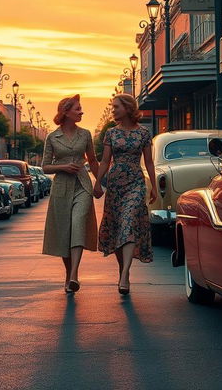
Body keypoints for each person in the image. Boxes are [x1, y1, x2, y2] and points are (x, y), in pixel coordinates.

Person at [95, 94, 157, 295]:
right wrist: (97, 182)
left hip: (136, 182)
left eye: (116, 107)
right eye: (112, 107)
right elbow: (105, 161)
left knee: (129, 223)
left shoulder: (144, 133)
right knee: (118, 228)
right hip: (115, 183)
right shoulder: (111, 133)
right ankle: (124, 272)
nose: (113, 110)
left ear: (128, 107)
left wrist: (153, 186)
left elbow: (148, 162)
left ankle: (124, 275)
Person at [42, 94, 100, 293]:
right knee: (65, 233)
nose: (81, 112)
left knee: (78, 225)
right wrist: (64, 166)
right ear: (65, 112)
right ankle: (69, 275)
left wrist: (99, 182)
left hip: (83, 185)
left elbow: (92, 161)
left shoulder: (85, 134)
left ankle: (74, 274)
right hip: (61, 188)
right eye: (77, 109)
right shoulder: (52, 137)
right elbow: (44, 167)